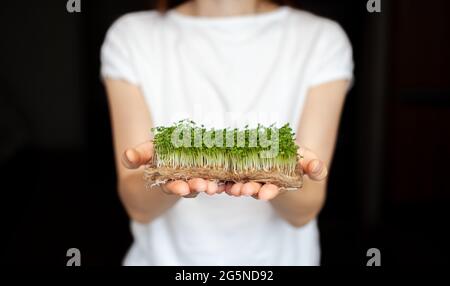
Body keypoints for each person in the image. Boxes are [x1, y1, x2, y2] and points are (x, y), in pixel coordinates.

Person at [100, 0, 353, 265]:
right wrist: (164, 176)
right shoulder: (131, 36)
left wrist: (282, 177)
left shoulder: (322, 40)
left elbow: (304, 211)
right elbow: (139, 207)